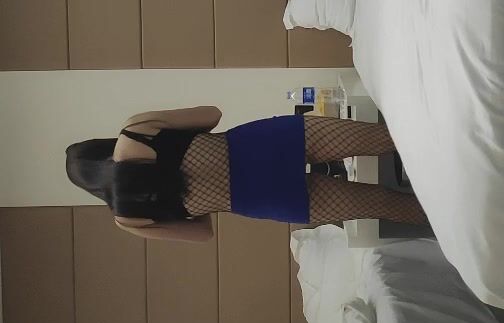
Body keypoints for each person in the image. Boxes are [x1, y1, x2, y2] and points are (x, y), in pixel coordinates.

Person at [65, 107, 427, 241]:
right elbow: (212, 114)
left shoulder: (127, 219)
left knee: (386, 205)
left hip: (258, 198)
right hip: (261, 144)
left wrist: (199, 195)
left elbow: (202, 233)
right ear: (100, 147)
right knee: (389, 139)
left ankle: (458, 217)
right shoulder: (134, 132)